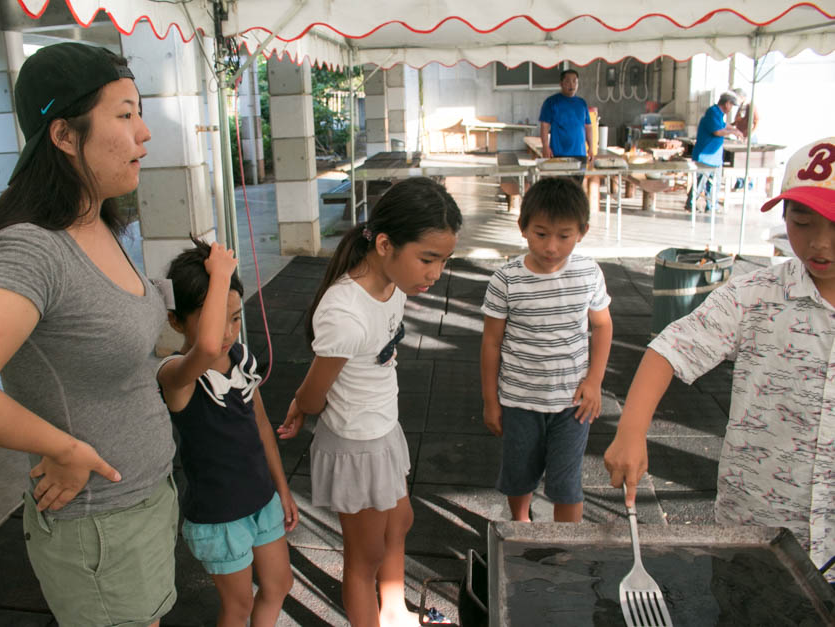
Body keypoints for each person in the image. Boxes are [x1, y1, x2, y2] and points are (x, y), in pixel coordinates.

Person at [0, 43, 179, 626]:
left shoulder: (100, 221)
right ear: (63, 135)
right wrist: (63, 447)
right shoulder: (30, 247)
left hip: (144, 503)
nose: (145, 133)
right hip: (99, 526)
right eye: (126, 114)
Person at [604, 137, 835, 583]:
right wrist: (630, 431)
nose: (819, 243)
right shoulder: (756, 295)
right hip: (753, 528)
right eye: (802, 222)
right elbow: (669, 349)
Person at [277, 177, 463, 626]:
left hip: (382, 429)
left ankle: (395, 607)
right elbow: (319, 392)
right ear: (384, 244)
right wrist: (302, 404)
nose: (435, 273)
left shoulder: (394, 284)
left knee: (400, 522)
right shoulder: (344, 313)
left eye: (443, 261)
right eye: (427, 259)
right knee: (365, 557)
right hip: (357, 445)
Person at [158, 239, 297, 626]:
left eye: (235, 318)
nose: (228, 332)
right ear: (175, 320)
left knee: (279, 584)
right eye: (214, 319)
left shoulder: (241, 361)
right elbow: (202, 350)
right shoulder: (176, 376)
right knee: (238, 608)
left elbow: (262, 425)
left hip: (261, 499)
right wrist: (219, 275)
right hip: (220, 518)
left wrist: (282, 489)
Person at [480, 177, 613, 524]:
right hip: (519, 400)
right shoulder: (506, 280)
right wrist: (491, 401)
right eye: (541, 234)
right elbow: (491, 342)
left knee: (567, 483)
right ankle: (521, 527)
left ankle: (568, 546)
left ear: (582, 231)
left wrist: (595, 381)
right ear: (522, 228)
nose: (552, 246)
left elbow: (602, 325)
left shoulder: (588, 273)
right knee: (518, 475)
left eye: (564, 235)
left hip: (572, 403)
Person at [685, 91, 744, 212]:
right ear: (727, 104)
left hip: (714, 157)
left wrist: (734, 129)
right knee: (700, 182)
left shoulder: (718, 114)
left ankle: (712, 205)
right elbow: (717, 131)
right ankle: (690, 203)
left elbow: (723, 125)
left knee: (714, 183)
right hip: (705, 156)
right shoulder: (712, 112)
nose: (731, 108)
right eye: (731, 105)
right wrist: (733, 132)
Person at [539, 68, 594, 181]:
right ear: (561, 83)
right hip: (559, 153)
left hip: (580, 153)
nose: (572, 85)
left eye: (575, 81)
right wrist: (545, 146)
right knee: (559, 188)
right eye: (568, 81)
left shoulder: (582, 103)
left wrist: (591, 147)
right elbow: (544, 125)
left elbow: (588, 126)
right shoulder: (551, 102)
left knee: (576, 189)